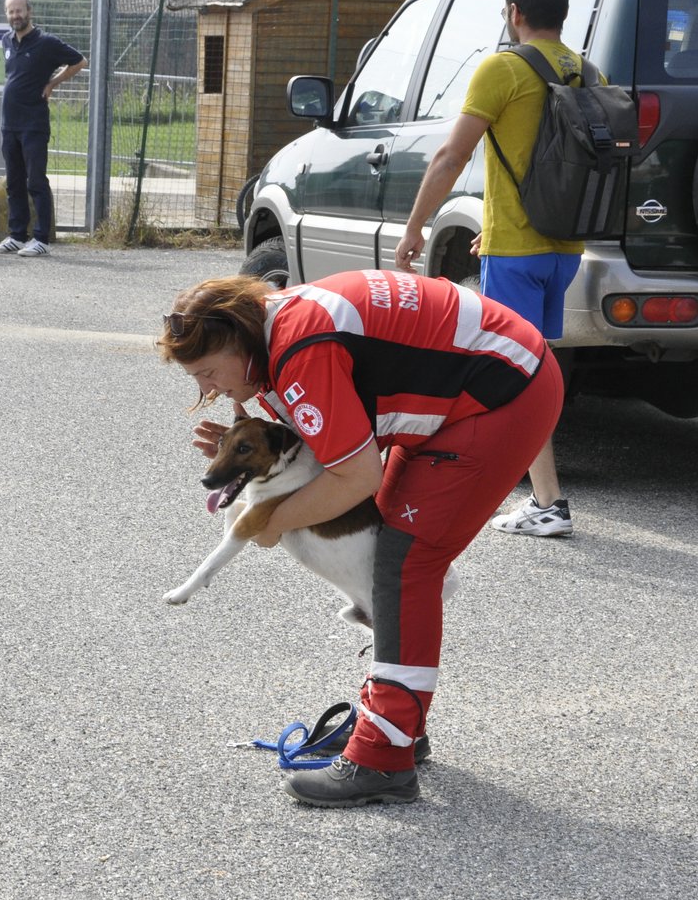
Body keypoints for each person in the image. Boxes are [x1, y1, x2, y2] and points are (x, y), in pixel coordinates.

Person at [157, 270, 563, 807]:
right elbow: (323, 437)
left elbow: (355, 475)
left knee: (404, 565)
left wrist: (270, 522)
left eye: (208, 372)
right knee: (393, 559)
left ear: (237, 339)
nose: (208, 391)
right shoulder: (275, 328)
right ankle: (396, 725)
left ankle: (385, 756)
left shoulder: (300, 351)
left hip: (503, 394)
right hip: (486, 380)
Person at [395, 0, 585, 538]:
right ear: (563, 13)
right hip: (563, 250)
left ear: (515, 13)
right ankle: (539, 496)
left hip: (518, 253)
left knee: (514, 376)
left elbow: (451, 157)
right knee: (536, 367)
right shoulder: (584, 69)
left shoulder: (503, 69)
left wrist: (415, 227)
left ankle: (547, 501)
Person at [0, 0, 86, 258]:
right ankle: (17, 235)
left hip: (34, 124)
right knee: (15, 182)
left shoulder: (46, 43)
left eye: (19, 11)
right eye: (11, 12)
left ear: (29, 12)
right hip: (10, 124)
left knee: (36, 181)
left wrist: (52, 83)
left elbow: (79, 61)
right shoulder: (7, 40)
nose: (15, 16)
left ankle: (41, 238)